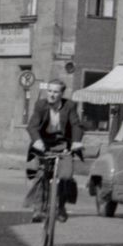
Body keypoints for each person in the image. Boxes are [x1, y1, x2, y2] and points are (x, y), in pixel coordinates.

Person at [24, 79, 85, 224]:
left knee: (66, 176)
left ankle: (61, 207)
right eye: (50, 91)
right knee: (40, 175)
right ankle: (38, 209)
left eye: (56, 92)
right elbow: (32, 126)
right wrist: (37, 141)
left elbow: (76, 125)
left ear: (62, 93)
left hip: (63, 145)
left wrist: (76, 141)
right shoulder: (41, 105)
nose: (51, 94)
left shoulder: (70, 106)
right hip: (43, 145)